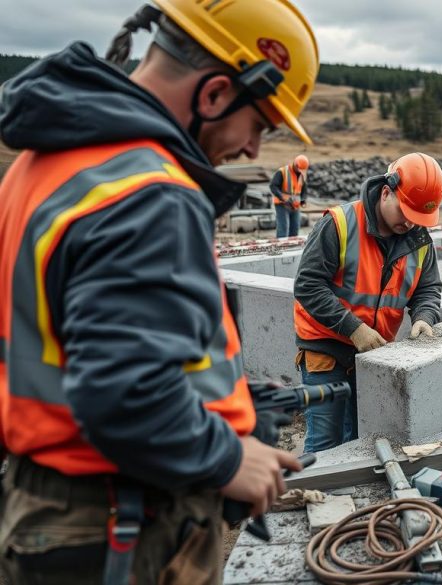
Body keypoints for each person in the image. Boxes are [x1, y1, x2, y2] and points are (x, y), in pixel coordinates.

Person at [0, 1, 318, 583]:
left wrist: (224, 399)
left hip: (56, 507)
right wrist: (226, 457)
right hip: (119, 524)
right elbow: (123, 391)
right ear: (216, 94)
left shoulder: (46, 163)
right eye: (261, 125)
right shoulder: (149, 194)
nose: (253, 151)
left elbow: (77, 339)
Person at [293, 152, 442, 452]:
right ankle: (313, 496)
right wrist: (353, 328)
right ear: (386, 192)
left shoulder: (419, 240)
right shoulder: (339, 224)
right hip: (326, 350)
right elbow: (307, 285)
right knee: (325, 442)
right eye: (406, 212)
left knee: (358, 441)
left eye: (419, 218)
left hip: (374, 354)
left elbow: (428, 288)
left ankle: (347, 496)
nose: (411, 224)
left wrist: (425, 317)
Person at [271, 154, 308, 238]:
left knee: (295, 230)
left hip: (295, 205)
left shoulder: (301, 175)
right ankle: (281, 248)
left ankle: (292, 249)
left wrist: (303, 200)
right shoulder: (282, 172)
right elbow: (273, 186)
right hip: (282, 204)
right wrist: (282, 197)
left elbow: (304, 189)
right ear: (295, 165)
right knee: (283, 229)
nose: (300, 171)